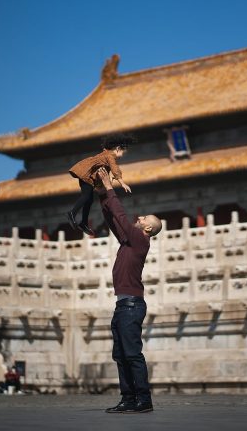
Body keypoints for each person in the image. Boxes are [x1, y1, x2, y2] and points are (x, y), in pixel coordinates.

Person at [94, 168, 162, 414]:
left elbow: (121, 216)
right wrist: (102, 194)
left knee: (132, 354)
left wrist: (110, 189)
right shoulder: (129, 240)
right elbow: (114, 221)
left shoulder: (141, 240)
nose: (140, 217)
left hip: (132, 306)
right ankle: (128, 399)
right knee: (120, 355)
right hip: (123, 306)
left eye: (145, 219)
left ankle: (144, 400)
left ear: (148, 230)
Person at [67, 134, 135, 237]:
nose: (121, 156)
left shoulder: (105, 155)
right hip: (85, 174)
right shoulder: (109, 156)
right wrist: (122, 183)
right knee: (86, 197)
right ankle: (72, 213)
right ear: (117, 149)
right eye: (122, 153)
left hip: (88, 176)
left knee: (89, 200)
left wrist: (108, 180)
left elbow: (105, 171)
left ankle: (83, 222)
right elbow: (114, 168)